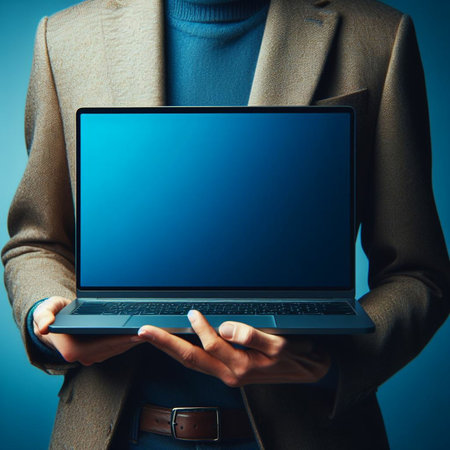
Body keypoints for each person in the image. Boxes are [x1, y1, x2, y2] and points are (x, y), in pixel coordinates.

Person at [2, 0, 449, 448]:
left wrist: (331, 364)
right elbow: (36, 240)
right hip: (116, 434)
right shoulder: (63, 38)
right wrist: (49, 319)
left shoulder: (378, 37)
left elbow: (418, 272)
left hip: (312, 433)